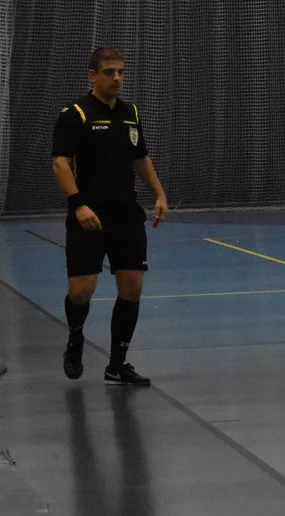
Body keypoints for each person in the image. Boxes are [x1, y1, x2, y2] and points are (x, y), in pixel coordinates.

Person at [52, 47, 168, 385]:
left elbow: (141, 159)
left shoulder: (131, 113)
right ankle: (76, 339)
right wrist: (78, 204)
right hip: (88, 216)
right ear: (93, 75)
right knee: (81, 292)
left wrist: (159, 194)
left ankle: (117, 365)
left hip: (126, 217)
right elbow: (60, 162)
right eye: (109, 72)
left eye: (120, 72)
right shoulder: (74, 115)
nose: (116, 78)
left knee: (131, 289)